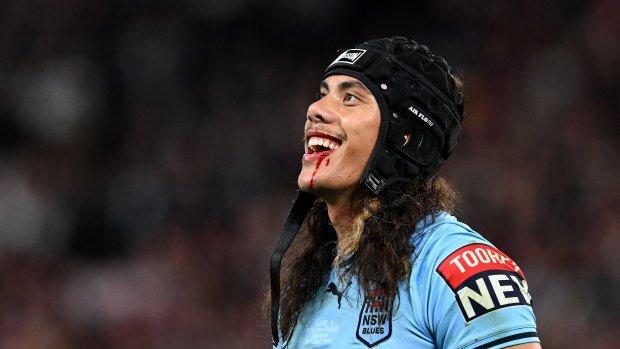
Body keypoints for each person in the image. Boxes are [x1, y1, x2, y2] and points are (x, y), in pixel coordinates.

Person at [269, 37, 541, 348]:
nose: (315, 110)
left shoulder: (460, 268)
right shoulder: (305, 287)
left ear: (405, 138)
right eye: (323, 94)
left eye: (350, 98)